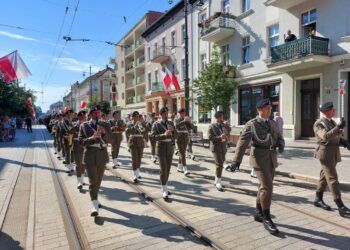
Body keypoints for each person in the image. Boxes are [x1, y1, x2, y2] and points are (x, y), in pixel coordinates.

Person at [230, 98, 285, 235]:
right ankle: (267, 217)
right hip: (259, 158)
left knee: (264, 186)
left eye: (270, 108)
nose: (270, 110)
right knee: (267, 187)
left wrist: (281, 143)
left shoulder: (272, 122)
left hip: (271, 157)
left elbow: (279, 136)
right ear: (260, 110)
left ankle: (258, 211)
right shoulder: (252, 124)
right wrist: (236, 161)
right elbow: (242, 143)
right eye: (267, 108)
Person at [313, 101, 350, 218]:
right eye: (333, 110)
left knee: (324, 176)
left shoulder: (332, 121)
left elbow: (335, 136)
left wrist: (344, 142)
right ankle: (340, 206)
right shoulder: (319, 124)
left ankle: (318, 199)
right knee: (333, 178)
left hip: (333, 152)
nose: (334, 111)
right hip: (325, 154)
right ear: (327, 111)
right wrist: (338, 127)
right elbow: (325, 136)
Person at [79, 106, 111, 217]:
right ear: (91, 113)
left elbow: (110, 140)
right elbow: (81, 141)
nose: (98, 114)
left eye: (99, 112)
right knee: (93, 181)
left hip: (102, 155)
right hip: (90, 155)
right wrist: (91, 138)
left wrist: (104, 133)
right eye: (96, 112)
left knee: (98, 181)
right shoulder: (84, 125)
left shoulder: (105, 124)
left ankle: (95, 199)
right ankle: (94, 205)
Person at [150, 107, 177, 200]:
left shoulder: (170, 123)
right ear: (161, 114)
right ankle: (164, 190)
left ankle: (164, 186)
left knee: (168, 169)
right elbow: (153, 137)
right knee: (163, 170)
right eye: (165, 113)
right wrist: (163, 135)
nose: (166, 115)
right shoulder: (156, 124)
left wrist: (173, 131)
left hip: (169, 148)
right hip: (161, 148)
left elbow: (176, 135)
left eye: (167, 113)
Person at [208, 111, 230, 191]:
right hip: (216, 147)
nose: (222, 118)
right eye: (221, 117)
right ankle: (218, 182)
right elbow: (210, 138)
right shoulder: (212, 126)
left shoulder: (223, 125)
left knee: (220, 164)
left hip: (223, 147)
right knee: (219, 164)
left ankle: (217, 180)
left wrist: (227, 125)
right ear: (217, 118)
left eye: (222, 117)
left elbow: (229, 131)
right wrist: (219, 137)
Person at [125, 111, 146, 183]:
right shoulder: (129, 123)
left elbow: (144, 131)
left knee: (139, 158)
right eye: (135, 116)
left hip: (140, 142)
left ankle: (138, 173)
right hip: (133, 142)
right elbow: (128, 132)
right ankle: (135, 175)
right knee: (134, 159)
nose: (137, 118)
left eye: (138, 117)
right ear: (133, 117)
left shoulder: (141, 123)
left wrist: (141, 127)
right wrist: (134, 127)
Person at [72, 110, 87, 189]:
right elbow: (69, 131)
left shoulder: (87, 125)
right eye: (81, 117)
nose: (83, 118)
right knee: (78, 165)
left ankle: (82, 179)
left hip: (85, 147)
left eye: (84, 117)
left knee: (83, 164)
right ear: (78, 117)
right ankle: (78, 182)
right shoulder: (74, 124)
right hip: (77, 146)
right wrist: (77, 126)